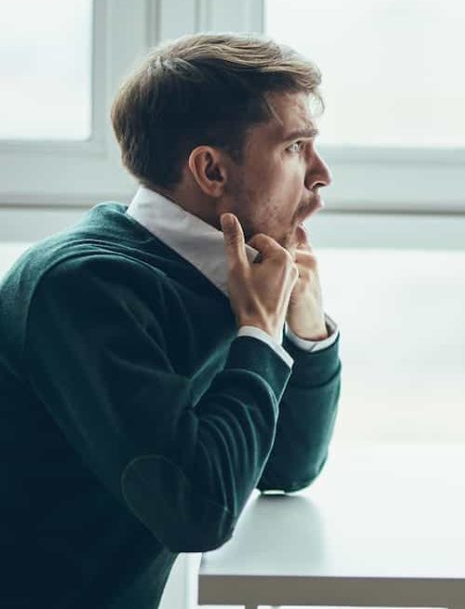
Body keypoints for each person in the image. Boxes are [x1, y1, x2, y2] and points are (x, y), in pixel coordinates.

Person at [0, 33, 342, 608]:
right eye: (294, 148)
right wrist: (257, 331)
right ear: (211, 170)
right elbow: (198, 514)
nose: (321, 174)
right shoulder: (85, 288)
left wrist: (301, 328)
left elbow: (286, 464)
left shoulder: (216, 273)